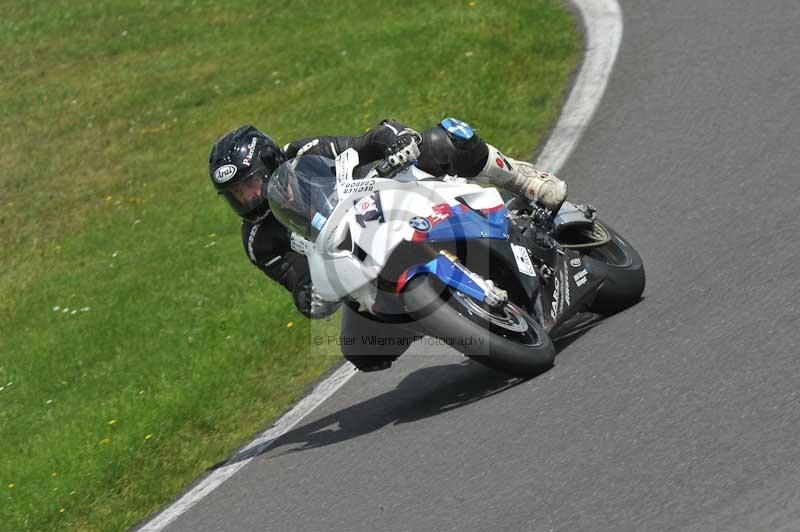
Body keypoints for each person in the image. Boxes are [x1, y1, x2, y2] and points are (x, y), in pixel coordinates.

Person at [208, 118, 567, 371]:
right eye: (236, 194)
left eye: (250, 184)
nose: (247, 198)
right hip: (362, 268)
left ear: (271, 163)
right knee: (362, 351)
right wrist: (308, 296)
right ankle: (449, 319)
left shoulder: (306, 151)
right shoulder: (258, 240)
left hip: (390, 208)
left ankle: (524, 180)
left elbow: (365, 142)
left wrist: (397, 139)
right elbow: (297, 278)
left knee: (441, 140)